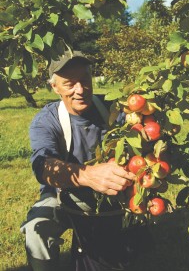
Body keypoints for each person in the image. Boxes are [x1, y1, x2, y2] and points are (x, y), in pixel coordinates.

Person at [20, 50, 152, 271]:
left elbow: (144, 139)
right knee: (36, 229)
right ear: (55, 87)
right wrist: (88, 175)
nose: (80, 90)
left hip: (108, 195)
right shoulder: (46, 121)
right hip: (60, 194)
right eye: (70, 84)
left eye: (84, 80)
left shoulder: (114, 111)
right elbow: (42, 165)